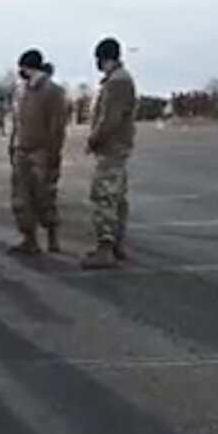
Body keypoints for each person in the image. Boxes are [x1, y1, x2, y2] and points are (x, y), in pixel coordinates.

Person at [82, 37, 137, 269]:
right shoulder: (119, 80)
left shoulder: (116, 82)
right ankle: (116, 245)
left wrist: (93, 140)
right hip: (117, 147)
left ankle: (106, 248)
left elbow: (109, 119)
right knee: (116, 197)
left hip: (111, 148)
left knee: (103, 196)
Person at [8, 49, 69, 255]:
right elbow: (17, 121)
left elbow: (57, 127)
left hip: (41, 152)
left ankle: (52, 236)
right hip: (21, 150)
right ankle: (29, 238)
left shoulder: (52, 91)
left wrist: (54, 154)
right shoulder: (20, 91)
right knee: (21, 198)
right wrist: (12, 144)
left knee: (45, 197)